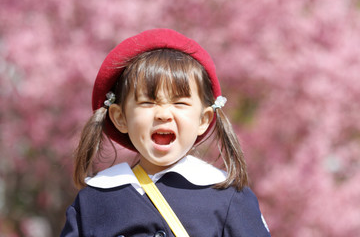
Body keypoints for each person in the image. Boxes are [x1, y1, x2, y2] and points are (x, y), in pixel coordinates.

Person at [61, 28, 271, 237]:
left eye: (179, 103)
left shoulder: (228, 197)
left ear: (204, 120)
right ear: (120, 118)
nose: (163, 114)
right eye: (147, 102)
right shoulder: (93, 201)